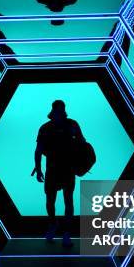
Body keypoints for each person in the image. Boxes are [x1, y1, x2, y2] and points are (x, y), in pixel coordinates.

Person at [34, 100, 85, 247]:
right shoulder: (45, 128)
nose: (60, 112)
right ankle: (53, 224)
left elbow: (83, 143)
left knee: (68, 200)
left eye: (62, 109)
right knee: (50, 201)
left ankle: (67, 233)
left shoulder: (72, 124)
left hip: (68, 169)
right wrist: (38, 168)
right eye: (58, 109)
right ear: (54, 110)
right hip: (52, 169)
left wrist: (82, 160)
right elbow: (38, 150)